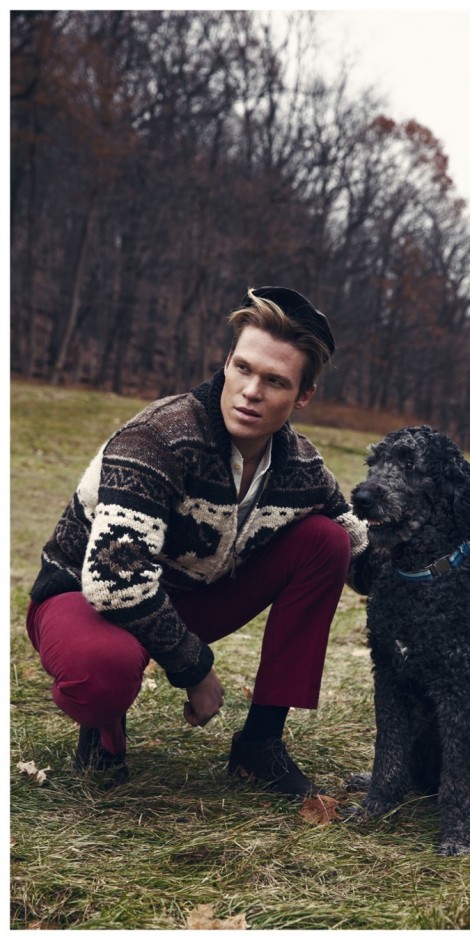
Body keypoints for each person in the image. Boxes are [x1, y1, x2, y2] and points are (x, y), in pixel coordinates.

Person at [27, 286, 371, 795]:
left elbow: (361, 553)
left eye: (275, 381)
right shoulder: (159, 437)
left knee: (327, 541)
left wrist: (438, 569)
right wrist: (196, 669)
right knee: (103, 672)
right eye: (243, 368)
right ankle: (104, 728)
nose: (251, 391)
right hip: (82, 598)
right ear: (227, 363)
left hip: (189, 596)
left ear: (303, 396)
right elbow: (115, 582)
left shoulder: (301, 466)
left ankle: (260, 745)